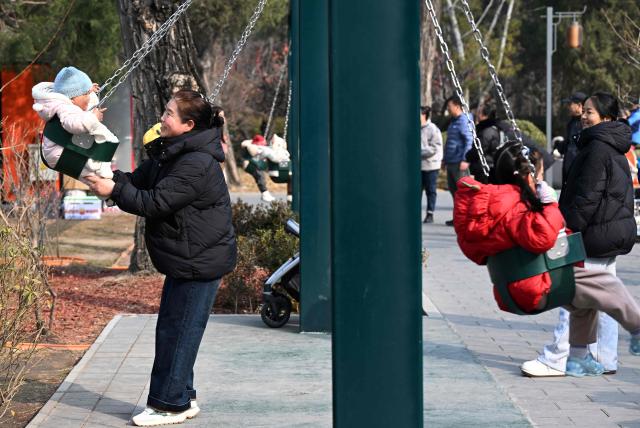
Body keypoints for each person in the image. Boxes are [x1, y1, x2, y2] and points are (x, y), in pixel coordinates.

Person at [86, 89, 237, 426]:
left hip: (200, 260)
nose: (162, 117)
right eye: (165, 110)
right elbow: (138, 183)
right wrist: (108, 179)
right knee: (176, 328)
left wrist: (113, 192)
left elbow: (153, 202)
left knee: (178, 331)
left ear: (189, 124)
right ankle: (182, 395)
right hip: (188, 256)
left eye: (169, 113)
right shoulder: (173, 153)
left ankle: (170, 405)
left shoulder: (196, 163)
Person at [454, 141, 640, 377]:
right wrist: (550, 204)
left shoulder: (489, 205)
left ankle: (577, 359)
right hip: (536, 286)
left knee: (585, 303)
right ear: (527, 176)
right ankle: (637, 329)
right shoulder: (512, 205)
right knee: (607, 284)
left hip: (511, 290)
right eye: (539, 174)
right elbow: (541, 238)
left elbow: (477, 252)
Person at [520, 92, 637, 377]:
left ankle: (557, 358)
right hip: (610, 233)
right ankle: (603, 357)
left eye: (591, 113)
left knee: (572, 294)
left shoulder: (597, 148)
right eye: (583, 111)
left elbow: (587, 198)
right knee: (602, 294)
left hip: (593, 235)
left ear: (606, 118)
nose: (584, 116)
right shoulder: (612, 146)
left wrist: (564, 227)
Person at [32, 66, 117, 182]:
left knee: (101, 138)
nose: (89, 96)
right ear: (72, 98)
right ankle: (103, 173)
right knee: (105, 138)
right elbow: (74, 124)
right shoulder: (65, 108)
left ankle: (102, 174)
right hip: (60, 152)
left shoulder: (68, 102)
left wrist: (89, 90)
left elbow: (81, 107)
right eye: (86, 93)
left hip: (61, 149)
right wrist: (93, 118)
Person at [442, 95, 473, 226]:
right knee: (454, 191)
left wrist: (466, 159)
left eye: (449, 107)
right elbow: (450, 141)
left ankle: (466, 218)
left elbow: (469, 141)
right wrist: (444, 159)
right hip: (451, 161)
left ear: (457, 106)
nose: (448, 109)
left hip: (459, 162)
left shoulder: (463, 121)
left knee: (463, 192)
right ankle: (458, 218)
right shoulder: (454, 121)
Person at [555, 91, 587, 185]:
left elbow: (576, 148)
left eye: (570, 104)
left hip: (577, 171)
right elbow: (569, 143)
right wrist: (559, 147)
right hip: (568, 170)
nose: (568, 107)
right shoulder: (572, 122)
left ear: (579, 105)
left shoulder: (584, 123)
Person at [420, 106, 443, 223]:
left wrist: (418, 152)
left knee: (430, 190)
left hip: (430, 165)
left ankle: (430, 213)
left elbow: (435, 148)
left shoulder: (433, 129)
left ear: (424, 115)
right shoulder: (415, 128)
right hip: (418, 166)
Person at [241, 134, 275, 202]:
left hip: (253, 164)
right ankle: (264, 193)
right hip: (249, 164)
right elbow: (255, 152)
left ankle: (265, 193)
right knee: (260, 176)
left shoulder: (254, 146)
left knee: (260, 177)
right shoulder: (251, 147)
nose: (263, 145)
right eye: (262, 144)